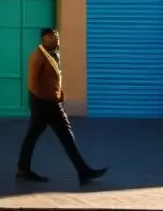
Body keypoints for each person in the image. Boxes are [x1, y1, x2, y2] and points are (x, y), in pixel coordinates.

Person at [16, 28, 107, 184]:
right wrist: (48, 101)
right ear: (44, 39)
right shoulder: (38, 57)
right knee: (62, 136)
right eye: (52, 38)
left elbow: (55, 79)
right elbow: (33, 83)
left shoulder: (53, 55)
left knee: (41, 136)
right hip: (44, 104)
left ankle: (23, 168)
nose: (57, 40)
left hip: (51, 103)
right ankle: (83, 171)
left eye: (57, 37)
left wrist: (60, 94)